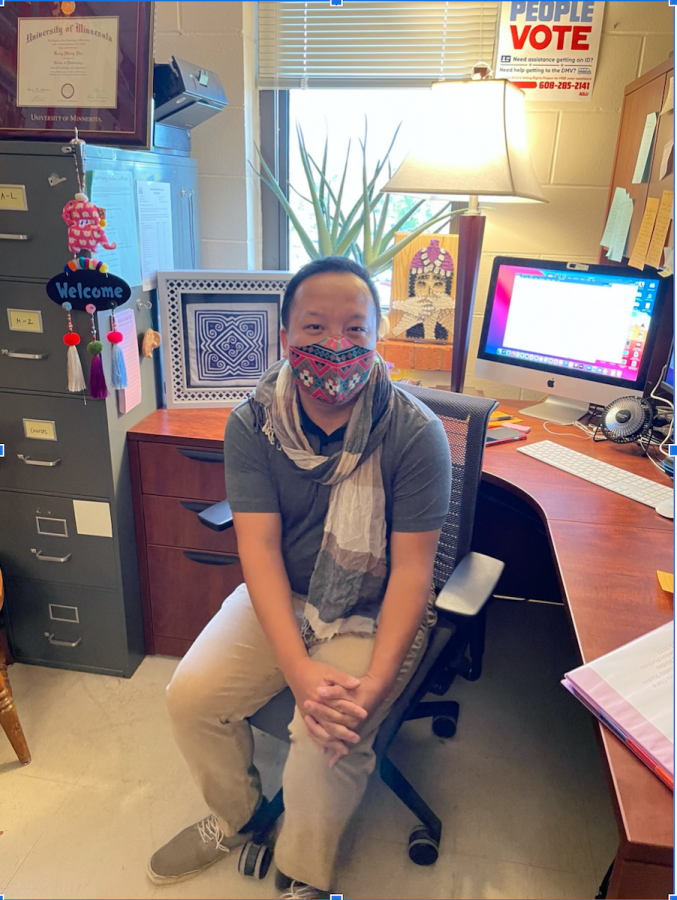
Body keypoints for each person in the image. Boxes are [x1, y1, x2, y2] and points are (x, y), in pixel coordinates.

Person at [148, 256, 452, 899]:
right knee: (190, 699)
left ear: (377, 338)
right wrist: (297, 667)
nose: (334, 345)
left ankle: (304, 873)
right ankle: (240, 817)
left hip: (373, 607)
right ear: (285, 336)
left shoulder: (414, 433)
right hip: (284, 593)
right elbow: (256, 550)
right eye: (314, 328)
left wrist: (371, 685)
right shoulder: (252, 423)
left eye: (354, 329)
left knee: (326, 740)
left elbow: (412, 574)